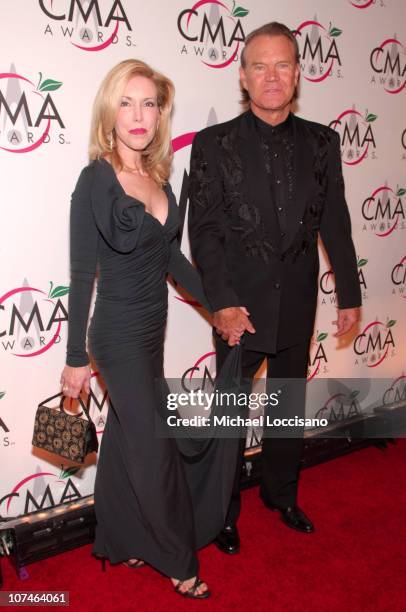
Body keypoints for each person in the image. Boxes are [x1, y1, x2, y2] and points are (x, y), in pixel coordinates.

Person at [188, 22, 362, 555]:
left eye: (282, 64)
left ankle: (281, 494)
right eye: (259, 66)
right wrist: (221, 304)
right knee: (231, 415)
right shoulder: (212, 144)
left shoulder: (322, 142)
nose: (271, 76)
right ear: (243, 76)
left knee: (288, 403)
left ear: (296, 75)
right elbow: (205, 232)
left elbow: (336, 221)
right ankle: (221, 511)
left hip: (299, 300)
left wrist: (350, 294)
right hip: (239, 306)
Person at [59, 59, 217, 599]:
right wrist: (75, 357)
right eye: (127, 101)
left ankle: (119, 537)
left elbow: (172, 258)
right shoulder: (95, 181)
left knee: (129, 439)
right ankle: (179, 560)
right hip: (116, 337)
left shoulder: (157, 177)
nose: (139, 114)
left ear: (159, 114)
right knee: (154, 446)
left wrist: (218, 305)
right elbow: (82, 275)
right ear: (110, 110)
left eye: (149, 103)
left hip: (153, 333)